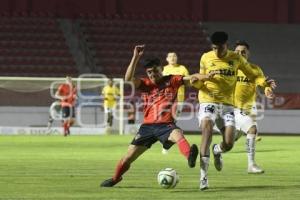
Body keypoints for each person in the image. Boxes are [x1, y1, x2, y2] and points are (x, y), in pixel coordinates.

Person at [100, 45, 207, 187]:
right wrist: (135, 57)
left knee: (178, 134)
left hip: (166, 125)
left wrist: (206, 76)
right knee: (128, 157)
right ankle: (115, 178)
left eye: (155, 71)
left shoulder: (172, 80)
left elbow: (192, 77)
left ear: (161, 69)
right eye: (149, 72)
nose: (152, 74)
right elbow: (128, 78)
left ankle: (190, 157)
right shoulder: (145, 84)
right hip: (147, 127)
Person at [194, 32, 274, 190]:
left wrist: (265, 84)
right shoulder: (206, 57)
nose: (217, 51)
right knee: (207, 132)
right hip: (208, 101)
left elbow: (253, 75)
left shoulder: (236, 60)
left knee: (229, 143)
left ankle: (217, 150)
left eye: (220, 47)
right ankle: (203, 178)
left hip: (228, 106)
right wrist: (201, 79)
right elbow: (198, 80)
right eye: (214, 48)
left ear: (226, 45)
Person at [233, 40, 276, 173]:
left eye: (243, 52)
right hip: (232, 108)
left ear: (248, 53)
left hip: (249, 107)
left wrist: (268, 90)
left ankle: (218, 149)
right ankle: (250, 164)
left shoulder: (255, 69)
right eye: (237, 52)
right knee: (249, 131)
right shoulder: (229, 69)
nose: (240, 54)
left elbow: (263, 84)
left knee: (240, 135)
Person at [161, 52, 189, 154]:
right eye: (170, 56)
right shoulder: (164, 69)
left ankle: (166, 144)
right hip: (165, 99)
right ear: (167, 59)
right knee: (167, 123)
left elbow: (188, 83)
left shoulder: (182, 69)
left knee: (172, 123)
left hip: (178, 99)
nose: (173, 58)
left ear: (177, 58)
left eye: (174, 56)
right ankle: (166, 143)